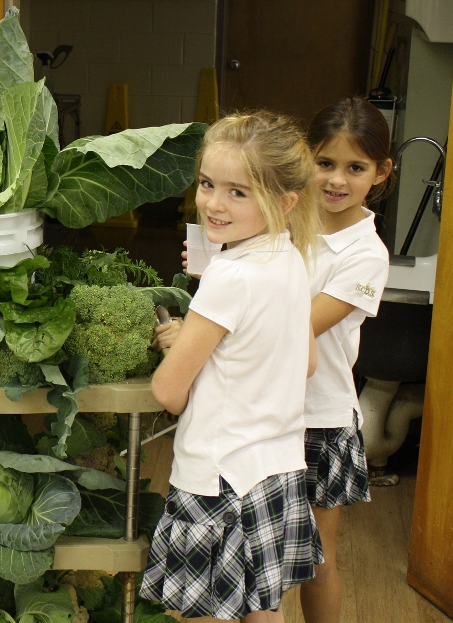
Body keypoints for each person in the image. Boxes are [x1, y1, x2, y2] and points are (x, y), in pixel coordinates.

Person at [142, 111, 323, 622]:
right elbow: (304, 361)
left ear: (284, 202)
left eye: (238, 192)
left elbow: (168, 391)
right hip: (276, 470)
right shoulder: (290, 256)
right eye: (206, 184)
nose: (214, 203)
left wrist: (181, 346)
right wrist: (208, 337)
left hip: (218, 476)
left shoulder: (230, 278)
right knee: (262, 611)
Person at [297, 98, 392, 623]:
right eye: (326, 163)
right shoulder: (285, 221)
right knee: (255, 553)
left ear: (381, 173)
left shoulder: (366, 254)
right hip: (261, 411)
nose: (336, 179)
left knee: (316, 557)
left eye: (354, 168)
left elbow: (297, 325)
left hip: (320, 419)